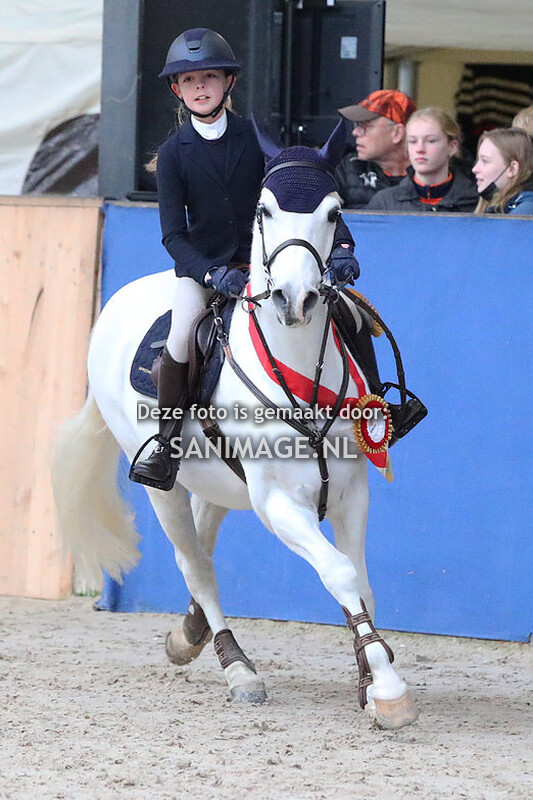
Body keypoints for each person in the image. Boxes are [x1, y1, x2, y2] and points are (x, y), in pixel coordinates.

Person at [130, 28, 359, 491]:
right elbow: (173, 235)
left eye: (209, 77)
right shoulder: (174, 154)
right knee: (180, 340)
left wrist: (342, 247)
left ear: (228, 82)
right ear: (177, 89)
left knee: (351, 312)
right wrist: (212, 273)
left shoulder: (257, 139)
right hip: (205, 269)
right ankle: (166, 444)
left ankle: (384, 405)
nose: (200, 86)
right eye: (189, 80)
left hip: (267, 264)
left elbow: (305, 195)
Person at [367, 107, 478, 213]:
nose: (420, 149)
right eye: (413, 141)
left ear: (452, 147)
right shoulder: (384, 203)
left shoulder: (476, 202)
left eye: (431, 141)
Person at [335, 89, 417, 209]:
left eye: (365, 126)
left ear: (397, 133)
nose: (355, 132)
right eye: (356, 125)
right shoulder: (346, 169)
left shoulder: (430, 175)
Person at [473, 127, 533, 215]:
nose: (474, 169)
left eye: (485, 161)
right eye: (478, 160)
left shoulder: (526, 209)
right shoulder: (499, 203)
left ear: (512, 169)